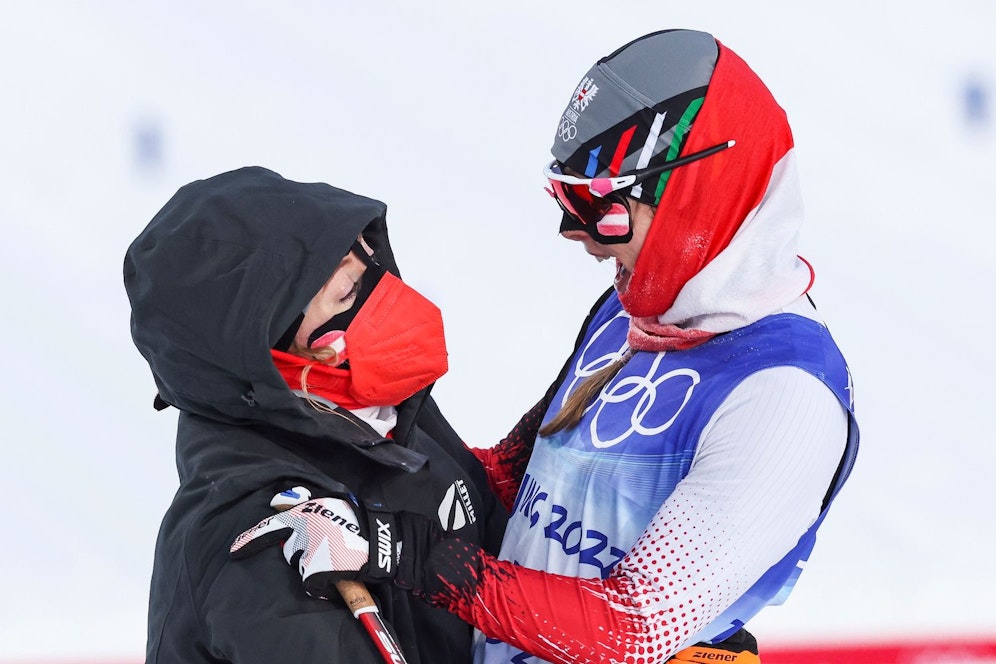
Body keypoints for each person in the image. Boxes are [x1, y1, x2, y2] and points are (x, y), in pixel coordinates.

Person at [231, 29, 860, 664]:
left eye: (601, 205)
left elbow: (634, 627)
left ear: (701, 191)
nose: (575, 232)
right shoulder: (630, 316)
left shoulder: (784, 394)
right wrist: (352, 458)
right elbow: (513, 477)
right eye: (566, 199)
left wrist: (399, 550)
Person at [124, 165, 508, 664]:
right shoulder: (263, 540)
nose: (383, 298)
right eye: (348, 295)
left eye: (371, 263)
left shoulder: (377, 411)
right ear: (274, 351)